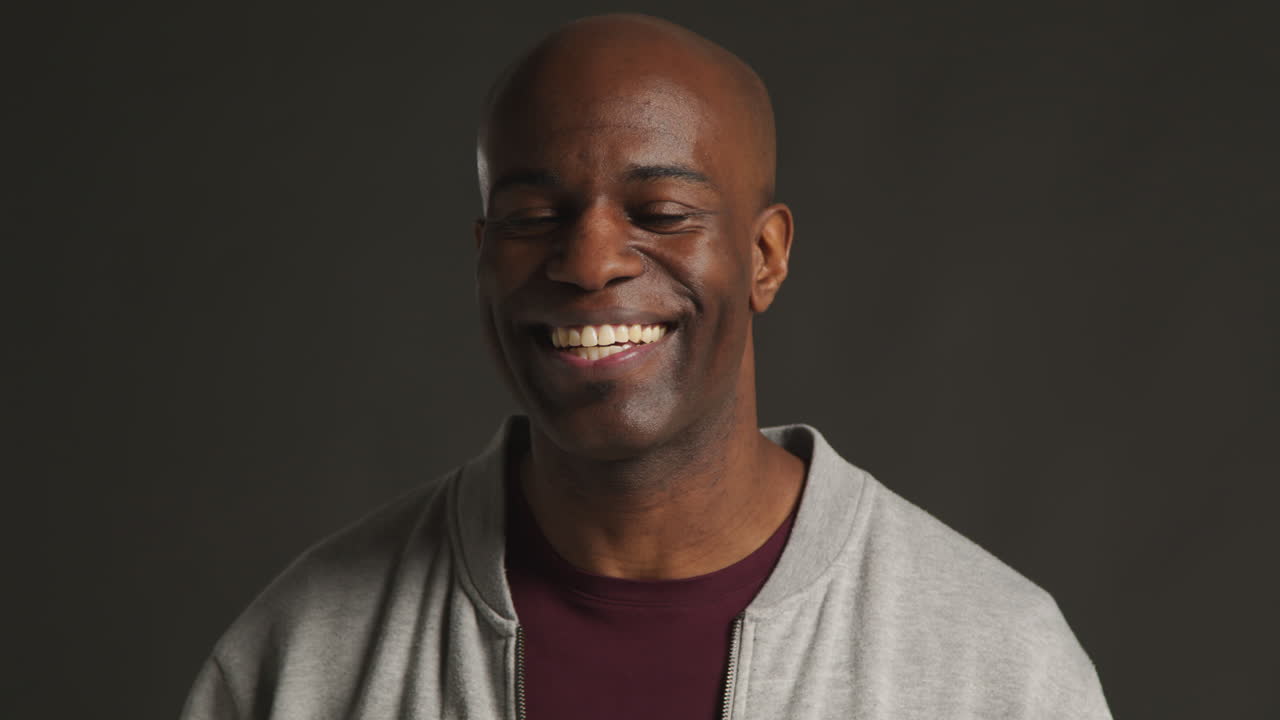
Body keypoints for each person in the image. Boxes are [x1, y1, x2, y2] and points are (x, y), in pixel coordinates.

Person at [180, 13, 1110, 720]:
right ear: (481, 252)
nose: (588, 264)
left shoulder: (995, 665)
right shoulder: (304, 656)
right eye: (531, 218)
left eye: (661, 212)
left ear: (765, 257)